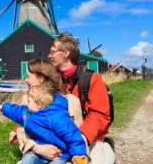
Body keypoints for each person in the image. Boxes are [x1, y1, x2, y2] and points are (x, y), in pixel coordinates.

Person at [37, 32, 115, 164]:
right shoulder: (51, 81)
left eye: (53, 52)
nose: (49, 56)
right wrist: (19, 129)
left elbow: (99, 115)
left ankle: (106, 148)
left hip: (88, 136)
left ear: (66, 53)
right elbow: (35, 106)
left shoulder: (92, 80)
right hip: (59, 137)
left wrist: (81, 138)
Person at [0, 83, 87, 164]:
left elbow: (73, 135)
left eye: (29, 101)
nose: (26, 104)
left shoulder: (56, 118)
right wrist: (4, 107)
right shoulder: (27, 114)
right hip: (38, 154)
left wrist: (78, 154)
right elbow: (16, 111)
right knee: (28, 160)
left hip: (59, 155)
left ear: (38, 104)